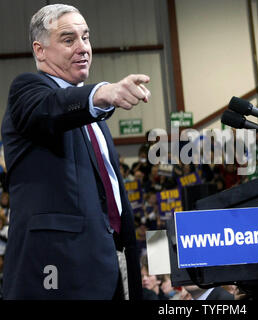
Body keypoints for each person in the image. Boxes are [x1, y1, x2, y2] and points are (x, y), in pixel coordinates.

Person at [1, 4, 151, 299]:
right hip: (56, 273)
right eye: (69, 40)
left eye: (86, 37)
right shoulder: (27, 90)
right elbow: (52, 108)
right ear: (40, 50)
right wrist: (102, 92)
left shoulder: (95, 119)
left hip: (109, 268)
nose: (83, 48)